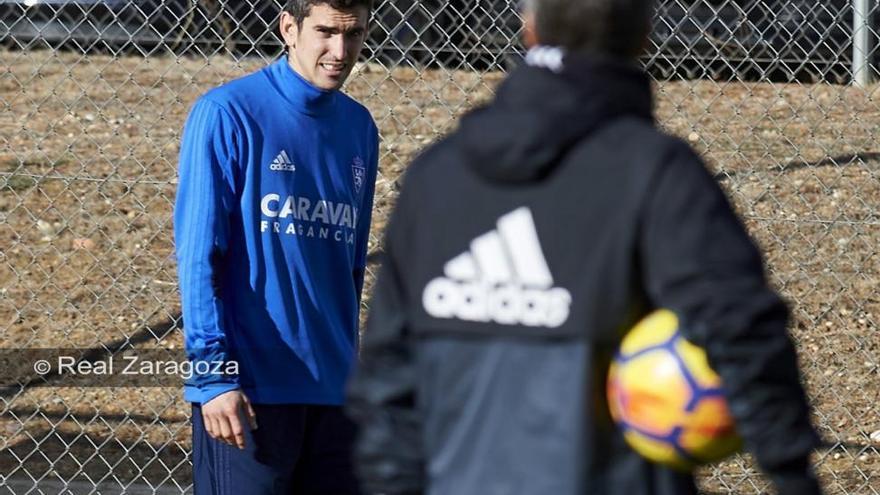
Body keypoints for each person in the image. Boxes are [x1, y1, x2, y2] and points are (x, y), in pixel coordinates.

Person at [346, 0, 823, 494]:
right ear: (644, 38)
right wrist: (792, 473)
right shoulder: (653, 174)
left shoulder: (437, 176)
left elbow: (387, 375)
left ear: (528, 30)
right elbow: (742, 328)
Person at [174, 0, 377, 493]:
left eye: (354, 35)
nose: (340, 50)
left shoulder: (360, 128)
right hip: (250, 394)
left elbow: (350, 268)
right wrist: (213, 377)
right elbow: (199, 258)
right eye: (326, 32)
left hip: (333, 396)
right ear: (290, 27)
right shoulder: (228, 113)